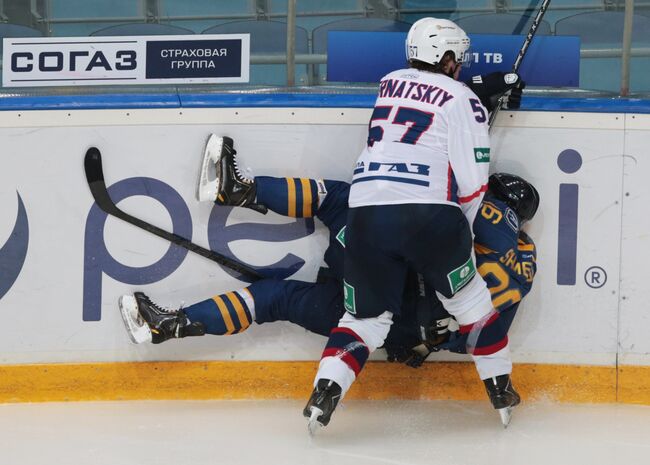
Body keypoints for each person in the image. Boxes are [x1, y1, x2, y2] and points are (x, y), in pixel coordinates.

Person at [118, 138, 539, 406]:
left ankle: (241, 189)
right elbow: (481, 338)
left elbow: (457, 215)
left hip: (377, 267)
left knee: (339, 198)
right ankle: (170, 325)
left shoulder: (490, 213)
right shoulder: (525, 261)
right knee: (274, 298)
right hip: (401, 328)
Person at [303, 16, 520, 431]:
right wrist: (463, 237)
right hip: (428, 214)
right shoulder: (462, 97)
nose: (461, 65)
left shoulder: (387, 85)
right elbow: (473, 184)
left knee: (362, 321)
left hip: (365, 212)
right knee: (471, 302)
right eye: (458, 58)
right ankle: (500, 390)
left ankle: (324, 393)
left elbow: (425, 108)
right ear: (448, 56)